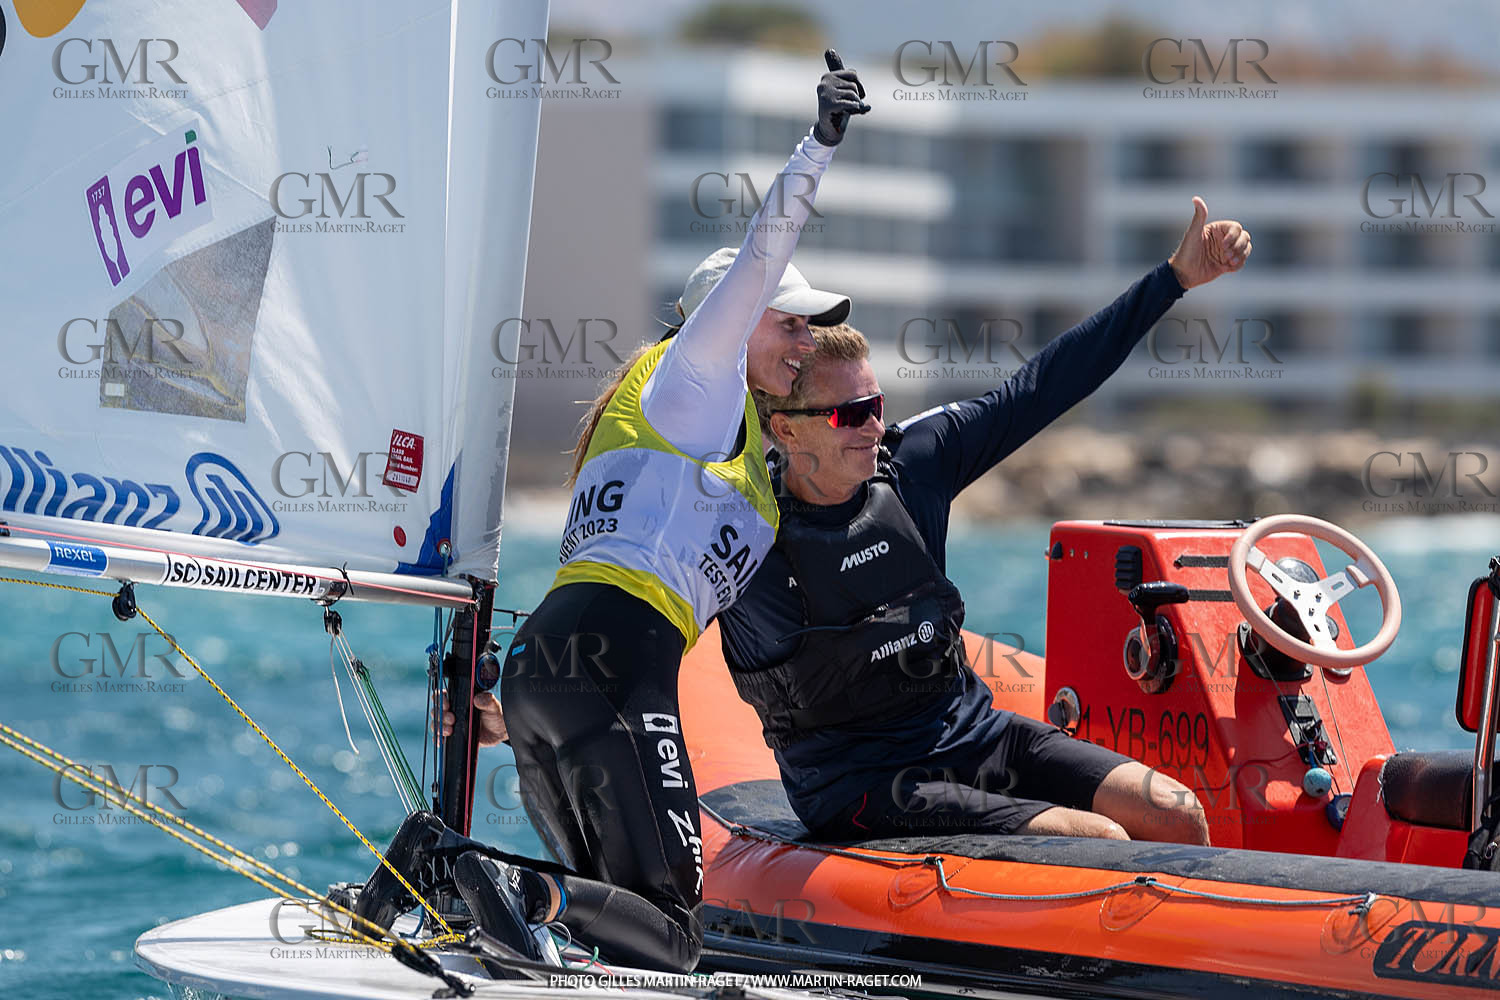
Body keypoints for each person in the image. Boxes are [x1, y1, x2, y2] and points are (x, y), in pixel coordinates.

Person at [354, 54, 870, 973]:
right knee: (671, 932)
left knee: (611, 934)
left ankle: (423, 869)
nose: (804, 340)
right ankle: (478, 875)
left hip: (554, 667)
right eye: (789, 321)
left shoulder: (723, 432)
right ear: (729, 317)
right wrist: (818, 145)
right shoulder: (693, 386)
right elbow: (759, 257)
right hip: (612, 669)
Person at [715, 201, 1251, 846]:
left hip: (974, 736)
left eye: (876, 405)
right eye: (848, 415)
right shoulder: (744, 529)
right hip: (856, 783)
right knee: (1100, 839)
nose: (874, 427)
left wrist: (1174, 279)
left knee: (1175, 809)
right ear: (783, 429)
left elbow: (1043, 386)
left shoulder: (913, 466)